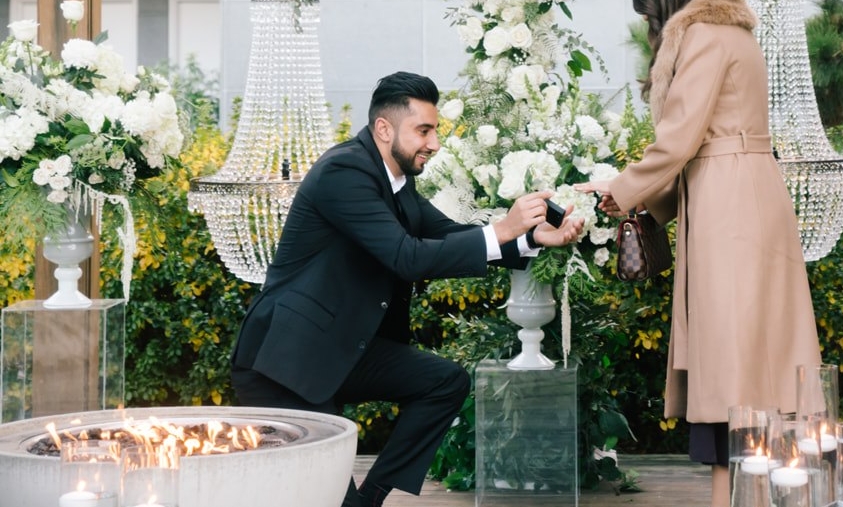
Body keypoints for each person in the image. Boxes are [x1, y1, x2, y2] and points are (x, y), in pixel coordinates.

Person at [231, 71, 584, 507]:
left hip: (342, 350)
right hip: (284, 364)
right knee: (323, 497)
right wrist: (504, 228)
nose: (434, 143)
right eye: (424, 130)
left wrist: (530, 239)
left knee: (443, 382)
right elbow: (408, 257)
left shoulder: (398, 183)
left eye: (433, 130)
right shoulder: (344, 172)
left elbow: (448, 237)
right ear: (384, 128)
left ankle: (373, 494)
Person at [576, 0, 820, 507]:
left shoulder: (705, 37)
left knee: (733, 359)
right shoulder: (731, 33)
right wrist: (643, 199)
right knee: (754, 357)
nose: (641, 12)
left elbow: (681, 138)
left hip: (731, 207)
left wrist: (621, 188)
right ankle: (763, 494)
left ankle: (736, 498)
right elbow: (699, 143)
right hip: (741, 194)